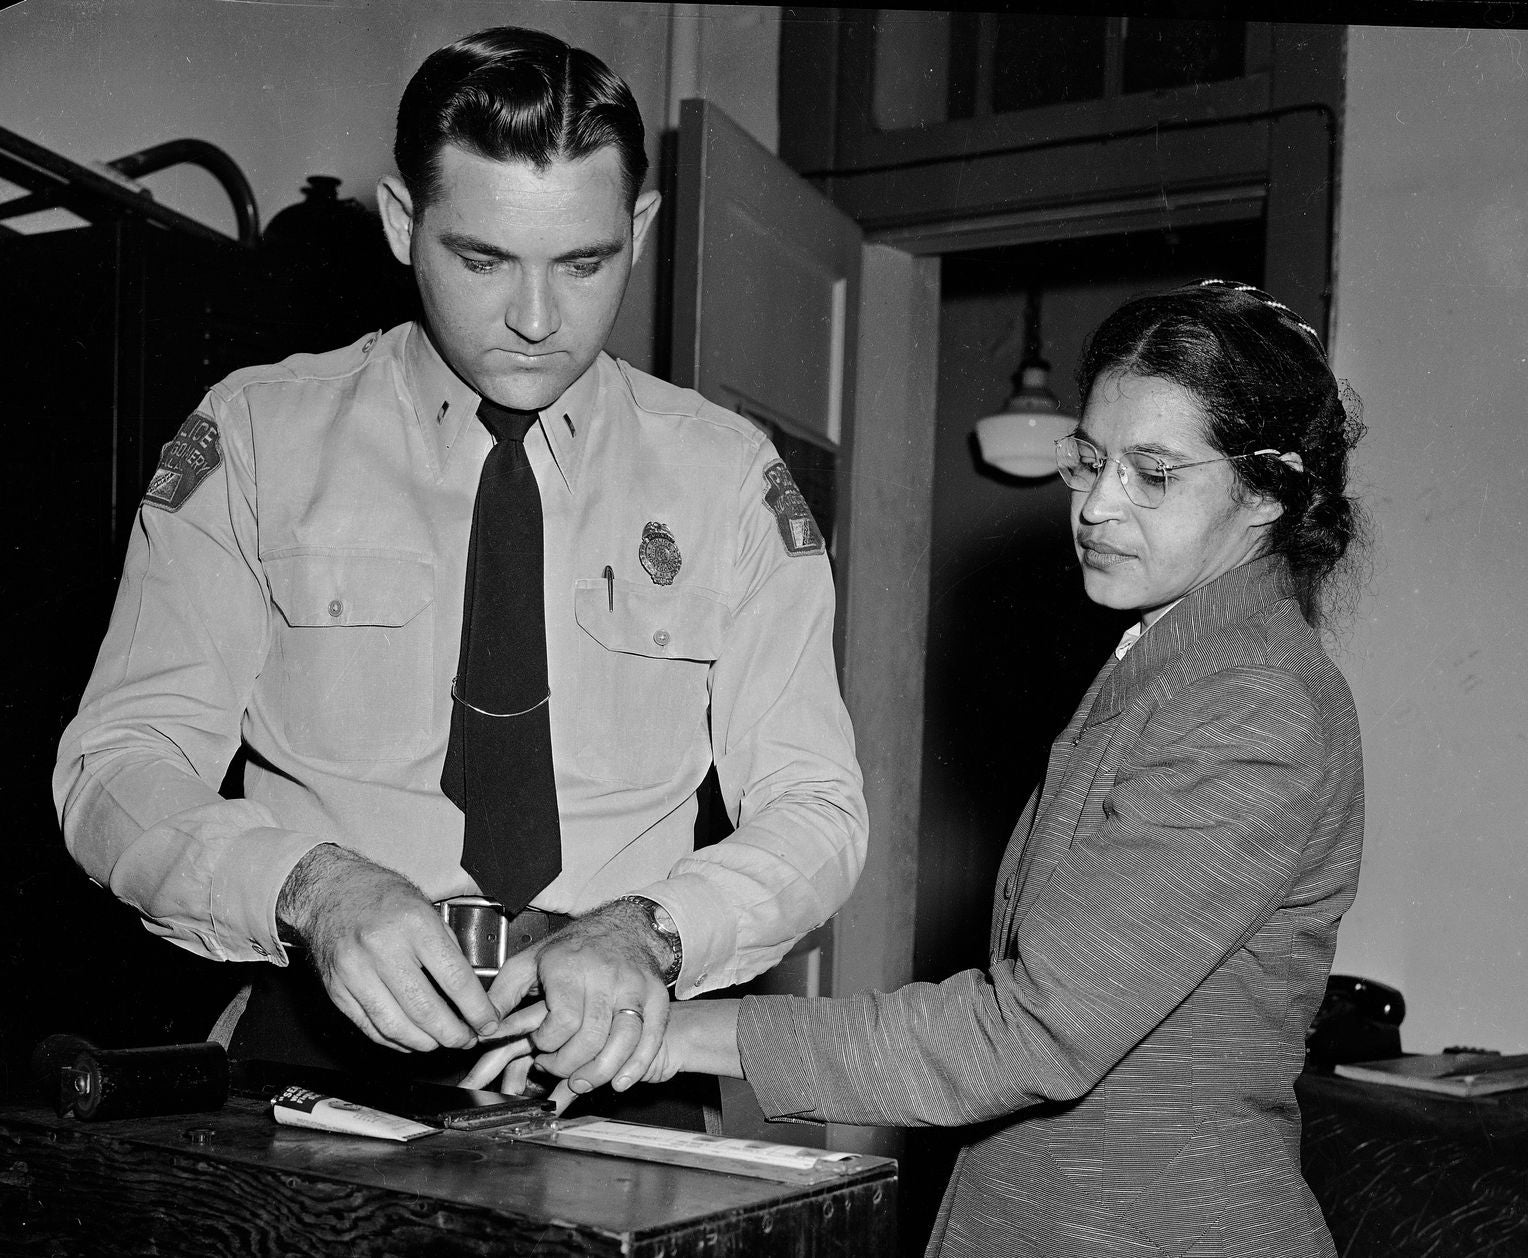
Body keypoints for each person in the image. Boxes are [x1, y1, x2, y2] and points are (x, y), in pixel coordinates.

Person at [52, 26, 866, 1108]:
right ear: (402, 222)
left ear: (641, 229)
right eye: (481, 260)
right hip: (309, 1060)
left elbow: (816, 807)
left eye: (584, 263)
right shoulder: (255, 436)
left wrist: (655, 929)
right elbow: (115, 764)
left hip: (616, 1065)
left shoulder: (727, 480)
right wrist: (313, 887)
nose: (535, 319)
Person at [516, 280, 1367, 1255]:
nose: (1095, 504)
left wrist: (672, 1032)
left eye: (1154, 474)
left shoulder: (1251, 699)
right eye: (1089, 460)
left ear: (1266, 489)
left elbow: (1032, 1033)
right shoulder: (1178, 654)